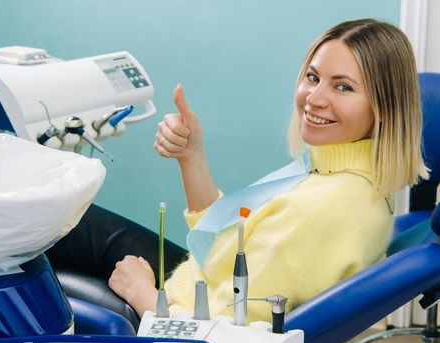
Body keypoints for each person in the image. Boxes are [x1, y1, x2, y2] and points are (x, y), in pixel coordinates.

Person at [47, 18, 428, 324]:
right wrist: (191, 154)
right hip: (199, 282)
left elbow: (222, 335)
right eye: (313, 78)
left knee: (46, 227)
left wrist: (143, 294)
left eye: (342, 87)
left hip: (173, 315)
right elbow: (233, 244)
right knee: (62, 217)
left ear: (384, 107)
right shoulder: (342, 174)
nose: (314, 98)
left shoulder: (327, 207)